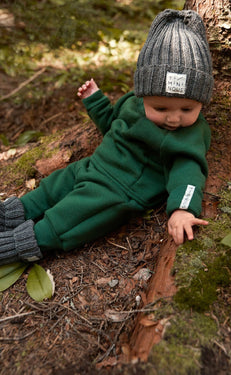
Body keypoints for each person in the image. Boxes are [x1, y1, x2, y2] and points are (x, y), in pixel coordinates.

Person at [0, 9, 214, 265]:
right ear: (143, 94)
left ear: (201, 102)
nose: (173, 118)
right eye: (161, 108)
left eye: (187, 109)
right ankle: (10, 215)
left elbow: (188, 173)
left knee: (72, 215)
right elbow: (114, 126)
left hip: (119, 191)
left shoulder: (189, 135)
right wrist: (96, 103)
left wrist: (183, 209)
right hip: (94, 165)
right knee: (52, 187)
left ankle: (21, 244)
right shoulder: (133, 105)